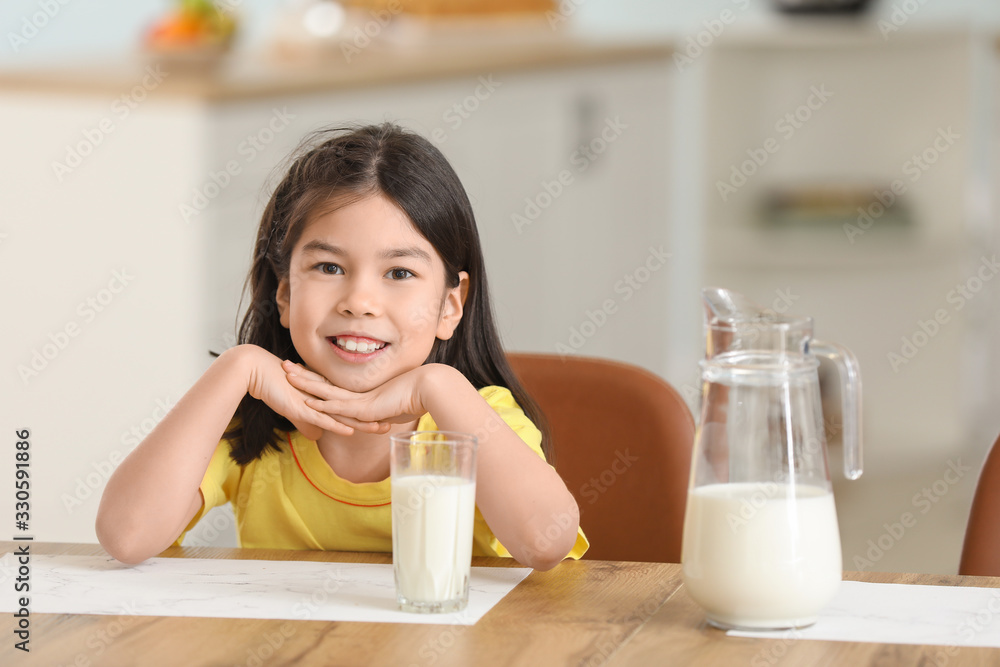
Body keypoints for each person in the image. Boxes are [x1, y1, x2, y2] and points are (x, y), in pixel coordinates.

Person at [96, 123, 587, 570]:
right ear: (284, 294)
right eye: (329, 268)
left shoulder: (474, 417)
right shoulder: (256, 425)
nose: (359, 302)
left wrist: (440, 386)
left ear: (449, 307)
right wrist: (236, 366)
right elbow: (127, 535)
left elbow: (544, 543)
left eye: (399, 273)